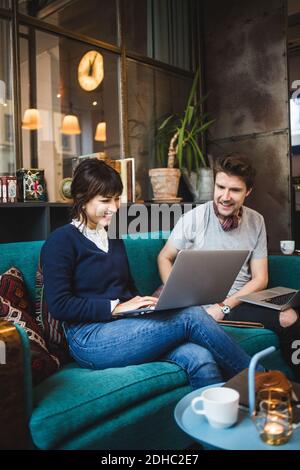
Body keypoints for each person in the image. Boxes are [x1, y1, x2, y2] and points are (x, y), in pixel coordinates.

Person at [41, 157, 261, 391]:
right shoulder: (61, 242)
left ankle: (216, 423)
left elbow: (127, 289)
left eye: (117, 199)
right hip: (89, 338)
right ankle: (262, 383)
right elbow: (60, 305)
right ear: (82, 199)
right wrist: (114, 307)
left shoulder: (113, 237)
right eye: (105, 200)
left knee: (200, 358)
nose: (115, 208)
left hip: (126, 326)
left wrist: (148, 307)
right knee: (191, 315)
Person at [158, 153, 300, 381]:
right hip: (204, 305)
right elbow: (164, 257)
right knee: (289, 317)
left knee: (290, 315)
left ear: (248, 192)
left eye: (234, 190)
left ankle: (293, 384)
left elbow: (260, 278)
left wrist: (224, 307)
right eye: (220, 187)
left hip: (240, 301)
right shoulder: (193, 218)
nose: (225, 196)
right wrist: (177, 295)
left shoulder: (256, 221)